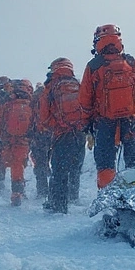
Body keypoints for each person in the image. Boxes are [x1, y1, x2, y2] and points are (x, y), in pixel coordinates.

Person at [79, 24, 135, 189]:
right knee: (134, 162)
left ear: (98, 42)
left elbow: (84, 100)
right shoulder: (131, 62)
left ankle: (108, 202)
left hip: (104, 123)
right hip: (130, 121)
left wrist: (86, 123)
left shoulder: (93, 66)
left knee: (106, 164)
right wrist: (134, 106)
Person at [37, 58, 89, 213]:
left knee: (59, 170)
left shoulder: (51, 87)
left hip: (62, 134)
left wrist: (57, 126)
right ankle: (73, 197)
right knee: (75, 167)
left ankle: (58, 205)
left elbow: (44, 117)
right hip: (79, 134)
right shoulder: (78, 85)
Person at [0, 78, 36, 206]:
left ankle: (14, 191)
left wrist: (2, 138)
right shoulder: (31, 103)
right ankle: (18, 191)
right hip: (24, 139)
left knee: (13, 163)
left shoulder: (8, 103)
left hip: (10, 138)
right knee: (18, 164)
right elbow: (37, 121)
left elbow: (2, 121)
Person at [29, 82, 52, 199]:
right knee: (57, 163)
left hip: (39, 135)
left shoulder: (34, 99)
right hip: (53, 133)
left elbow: (30, 117)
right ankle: (59, 190)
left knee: (40, 163)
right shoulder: (51, 94)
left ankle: (42, 191)